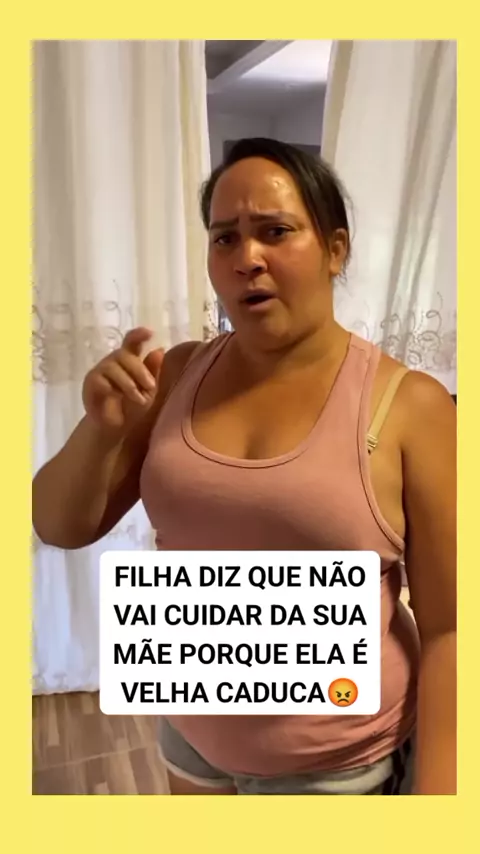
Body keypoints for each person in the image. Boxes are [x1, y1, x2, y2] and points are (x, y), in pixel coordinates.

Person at [32, 138, 456, 795]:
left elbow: (452, 627)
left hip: (336, 768)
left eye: (275, 231)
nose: (247, 258)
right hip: (190, 736)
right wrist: (101, 431)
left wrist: (443, 808)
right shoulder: (175, 374)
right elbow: (59, 524)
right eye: (224, 238)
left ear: (335, 249)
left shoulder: (411, 406)